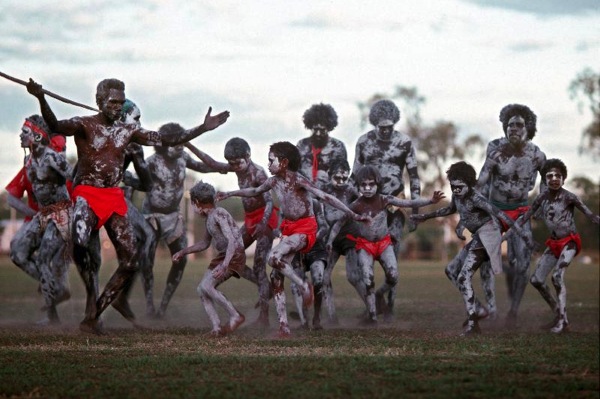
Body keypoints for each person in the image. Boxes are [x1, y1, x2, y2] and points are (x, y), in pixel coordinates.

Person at [26, 78, 229, 333]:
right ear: (100, 102)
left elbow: (165, 138)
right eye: (113, 102)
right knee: (79, 242)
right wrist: (41, 98)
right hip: (87, 194)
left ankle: (94, 314)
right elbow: (55, 125)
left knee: (131, 261)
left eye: (122, 103)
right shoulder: (84, 124)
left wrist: (202, 128)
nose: (118, 107)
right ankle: (91, 295)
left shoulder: (128, 132)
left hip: (113, 197)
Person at [216, 141, 368, 337]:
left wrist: (352, 214)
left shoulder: (298, 180)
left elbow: (325, 197)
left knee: (273, 258)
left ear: (284, 162)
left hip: (306, 230)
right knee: (275, 276)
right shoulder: (273, 181)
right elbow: (254, 191)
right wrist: (229, 193)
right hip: (289, 231)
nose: (268, 163)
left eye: (271, 160)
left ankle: (304, 286)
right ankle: (284, 328)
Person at [123, 122, 232, 319]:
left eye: (182, 142)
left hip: (173, 217)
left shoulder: (182, 158)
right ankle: (149, 305)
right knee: (146, 261)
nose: (180, 146)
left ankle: (163, 307)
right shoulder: (153, 162)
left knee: (180, 261)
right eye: (176, 143)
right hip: (151, 217)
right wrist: (128, 181)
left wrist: (223, 168)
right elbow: (141, 183)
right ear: (163, 144)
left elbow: (201, 166)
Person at [411, 162, 527, 335]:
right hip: (477, 238)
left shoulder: (476, 198)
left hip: (487, 236)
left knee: (464, 277)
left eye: (459, 186)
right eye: (453, 186)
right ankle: (479, 309)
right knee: (451, 270)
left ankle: (473, 323)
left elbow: (500, 214)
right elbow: (449, 209)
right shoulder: (458, 196)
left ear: (469, 183)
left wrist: (522, 234)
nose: (456, 190)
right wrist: (425, 216)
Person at [329, 165, 444, 325]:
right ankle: (372, 316)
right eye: (364, 185)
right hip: (365, 246)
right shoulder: (356, 205)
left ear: (377, 184)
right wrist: (329, 241)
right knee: (368, 280)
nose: (367, 188)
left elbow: (407, 202)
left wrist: (430, 200)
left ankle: (379, 293)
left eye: (371, 184)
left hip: (384, 243)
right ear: (359, 185)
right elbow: (338, 224)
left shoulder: (385, 199)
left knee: (393, 276)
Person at [184, 138, 277, 326]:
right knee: (236, 256)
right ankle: (267, 289)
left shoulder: (258, 172)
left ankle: (264, 317)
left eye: (238, 162)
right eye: (232, 163)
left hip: (265, 218)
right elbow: (210, 163)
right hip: (250, 218)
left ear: (248, 156)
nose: (235, 167)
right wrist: (188, 144)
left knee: (259, 266)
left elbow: (269, 201)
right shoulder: (236, 168)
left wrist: (264, 223)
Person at [476, 103, 546, 327]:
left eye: (518, 125)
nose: (513, 128)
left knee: (523, 264)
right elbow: (482, 181)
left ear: (528, 128)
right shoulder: (494, 147)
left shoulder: (537, 155)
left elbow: (548, 179)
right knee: (485, 259)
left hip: (521, 212)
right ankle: (493, 308)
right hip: (495, 210)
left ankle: (514, 310)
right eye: (509, 124)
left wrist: (541, 204)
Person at [514, 159, 599, 333]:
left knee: (557, 277)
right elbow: (527, 215)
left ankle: (563, 322)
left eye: (557, 175)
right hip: (553, 243)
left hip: (570, 242)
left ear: (563, 178)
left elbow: (591, 215)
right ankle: (557, 312)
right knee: (536, 280)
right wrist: (510, 227)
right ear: (545, 179)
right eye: (550, 175)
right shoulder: (542, 198)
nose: (554, 178)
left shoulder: (569, 197)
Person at [6, 115, 73, 324]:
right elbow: (11, 196)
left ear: (36, 136)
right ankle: (57, 288)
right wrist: (32, 213)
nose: (19, 135)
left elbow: (75, 178)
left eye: (24, 132)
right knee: (17, 251)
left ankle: (52, 314)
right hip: (43, 214)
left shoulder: (53, 158)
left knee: (45, 257)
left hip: (61, 213)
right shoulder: (29, 161)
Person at [172, 181, 246, 337]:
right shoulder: (209, 218)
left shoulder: (219, 213)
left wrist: (225, 265)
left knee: (206, 286)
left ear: (197, 202)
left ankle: (235, 315)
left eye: (192, 204)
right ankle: (217, 328)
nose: (193, 207)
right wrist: (183, 252)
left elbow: (232, 240)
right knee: (202, 288)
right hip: (223, 256)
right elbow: (204, 243)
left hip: (234, 254)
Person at [352, 99, 421, 258]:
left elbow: (414, 178)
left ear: (394, 123)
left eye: (389, 127)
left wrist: (415, 210)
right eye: (381, 128)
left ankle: (391, 281)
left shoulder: (404, 142)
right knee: (365, 245)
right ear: (375, 124)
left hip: (395, 200)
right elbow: (355, 175)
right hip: (368, 200)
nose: (385, 131)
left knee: (394, 243)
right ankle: (367, 281)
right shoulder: (364, 142)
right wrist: (349, 206)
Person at [319, 159, 359, 324]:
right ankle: (331, 316)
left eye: (345, 178)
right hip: (330, 239)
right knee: (324, 277)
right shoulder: (322, 191)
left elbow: (366, 206)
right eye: (338, 178)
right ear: (329, 175)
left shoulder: (352, 191)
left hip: (349, 237)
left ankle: (373, 310)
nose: (342, 182)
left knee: (353, 276)